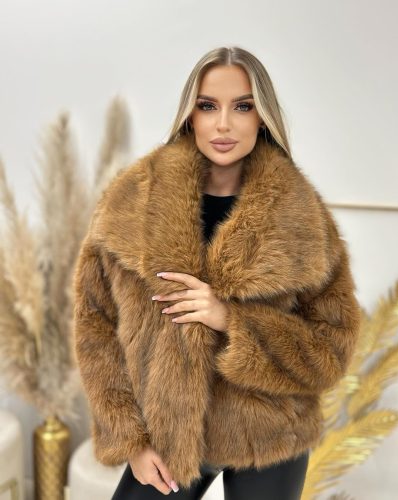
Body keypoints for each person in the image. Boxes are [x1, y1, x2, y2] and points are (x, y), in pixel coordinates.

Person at [72, 46, 361, 499]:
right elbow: (95, 326)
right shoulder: (134, 200)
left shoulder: (299, 213)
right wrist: (130, 439)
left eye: (242, 107)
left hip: (269, 433)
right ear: (190, 115)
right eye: (208, 106)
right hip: (167, 434)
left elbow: (331, 346)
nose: (223, 124)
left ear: (262, 117)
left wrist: (232, 320)